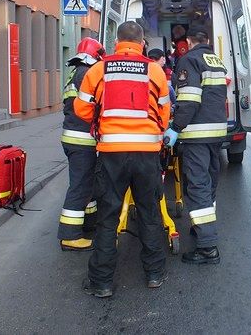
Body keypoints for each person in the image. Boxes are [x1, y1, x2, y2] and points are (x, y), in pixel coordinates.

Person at [74, 21, 171, 298]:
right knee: (149, 213)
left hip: (111, 154)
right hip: (147, 155)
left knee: (108, 217)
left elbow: (81, 108)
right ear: (142, 43)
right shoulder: (155, 71)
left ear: (116, 41)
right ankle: (154, 274)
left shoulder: (98, 69)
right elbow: (164, 113)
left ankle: (101, 282)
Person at [164, 27, 227, 265]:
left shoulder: (189, 60)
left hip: (198, 134)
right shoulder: (216, 60)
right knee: (209, 182)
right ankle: (201, 227)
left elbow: (189, 100)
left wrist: (175, 128)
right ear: (208, 41)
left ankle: (207, 247)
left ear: (189, 42)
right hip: (216, 132)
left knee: (197, 185)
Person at [58, 37, 104, 251]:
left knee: (88, 182)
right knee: (80, 186)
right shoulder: (87, 73)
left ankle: (89, 223)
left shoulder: (75, 71)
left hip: (75, 137)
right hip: (81, 138)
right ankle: (70, 235)